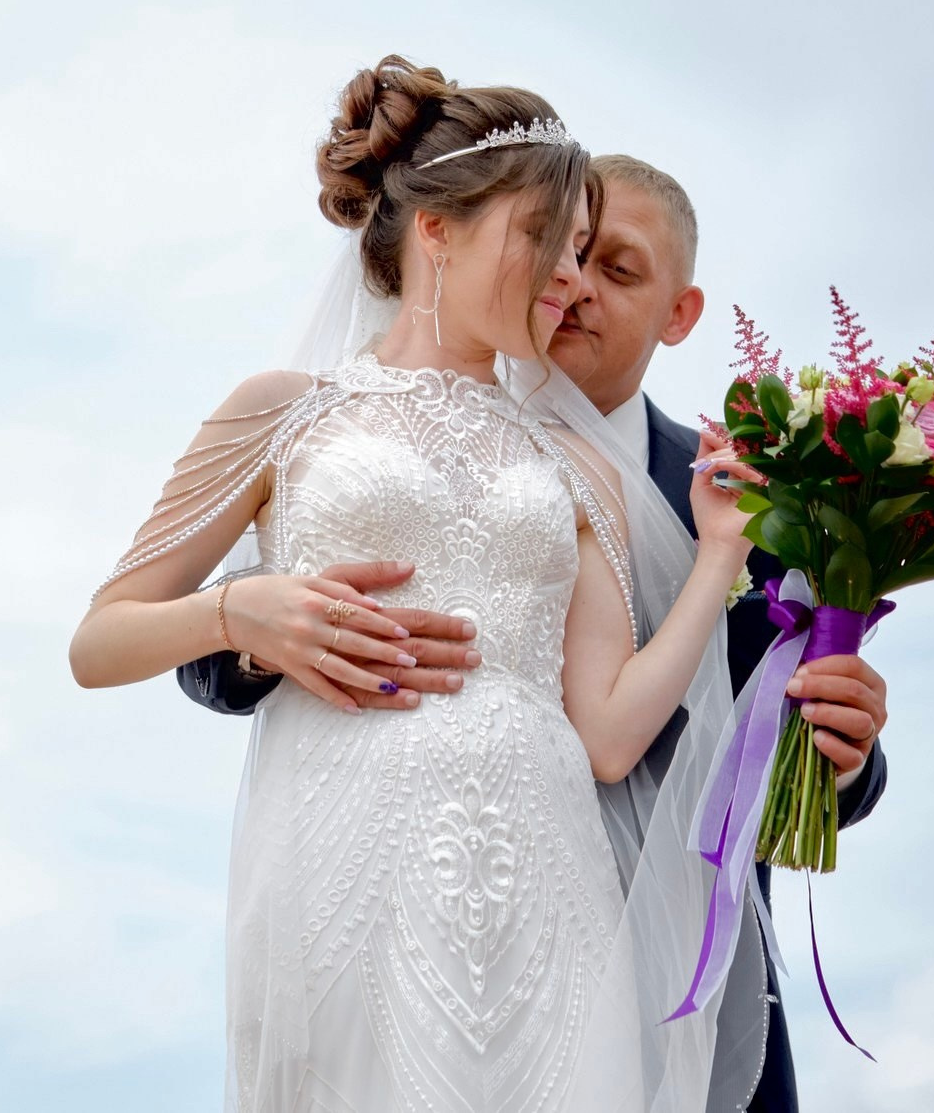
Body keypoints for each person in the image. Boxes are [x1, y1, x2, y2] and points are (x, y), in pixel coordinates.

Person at [70, 57, 761, 1112]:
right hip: (343, 863)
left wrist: (718, 557)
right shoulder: (283, 409)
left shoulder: (574, 466)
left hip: (544, 884)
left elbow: (611, 735)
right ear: (434, 231)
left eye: (581, 252)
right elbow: (98, 641)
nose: (568, 280)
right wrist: (237, 610)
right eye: (543, 241)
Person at [175, 152, 893, 1113]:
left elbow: (784, 739)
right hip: (406, 928)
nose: (577, 285)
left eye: (620, 268)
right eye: (565, 249)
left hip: (685, 994)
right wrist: (265, 632)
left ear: (681, 314)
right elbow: (210, 646)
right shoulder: (374, 435)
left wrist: (846, 759)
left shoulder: (765, 509)